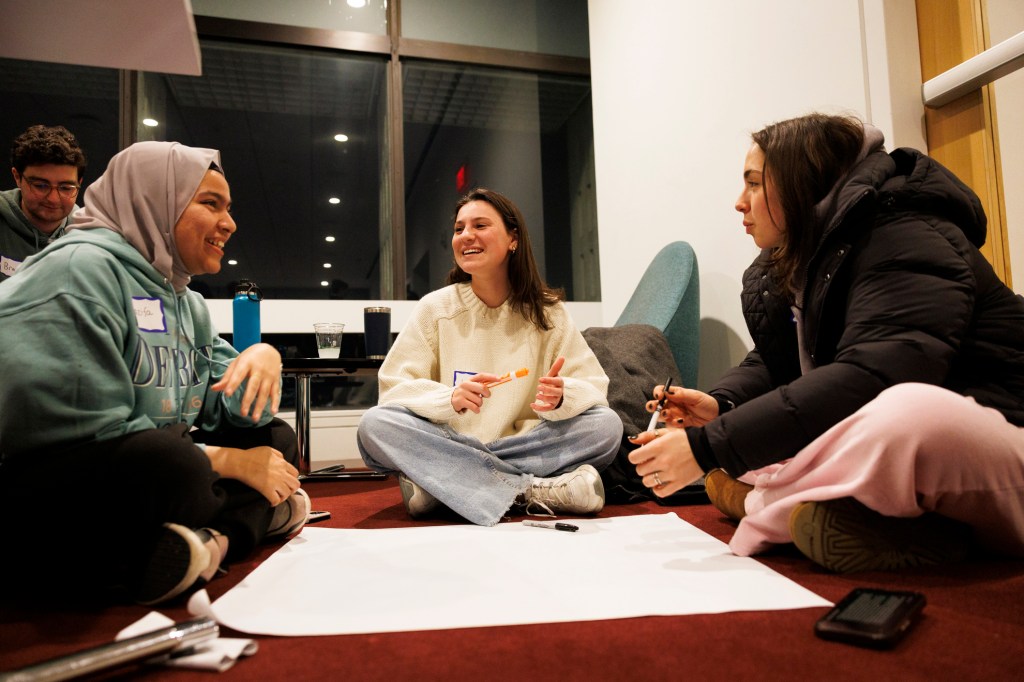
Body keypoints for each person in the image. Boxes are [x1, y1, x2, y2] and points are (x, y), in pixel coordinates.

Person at [628, 113, 1024, 572]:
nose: (739, 202)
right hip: (939, 462)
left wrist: (707, 448)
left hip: (1005, 437)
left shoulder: (906, 235)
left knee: (908, 413)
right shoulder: (810, 257)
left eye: (753, 183)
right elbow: (779, 361)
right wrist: (722, 405)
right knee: (785, 436)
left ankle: (765, 501)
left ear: (801, 184)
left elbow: (872, 378)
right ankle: (859, 515)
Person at [0, 141, 309, 605]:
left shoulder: (184, 299)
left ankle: (204, 545)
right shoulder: (78, 269)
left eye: (228, 208)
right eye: (210, 203)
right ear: (154, 201)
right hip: (45, 482)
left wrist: (263, 357)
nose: (229, 223)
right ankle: (245, 524)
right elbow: (79, 436)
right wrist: (226, 462)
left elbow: (232, 409)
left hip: (144, 466)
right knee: (173, 466)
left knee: (273, 438)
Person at [357, 187, 622, 526]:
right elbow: (393, 389)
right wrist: (448, 399)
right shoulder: (435, 308)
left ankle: (446, 486)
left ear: (513, 239)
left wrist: (563, 397)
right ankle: (532, 491)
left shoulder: (548, 312)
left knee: (605, 426)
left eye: (480, 225)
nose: (466, 235)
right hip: (451, 440)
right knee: (375, 426)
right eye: (459, 228)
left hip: (524, 442)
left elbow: (595, 389)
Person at [0, 124, 87, 283]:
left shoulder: (87, 235)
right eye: (41, 186)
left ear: (79, 183)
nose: (53, 199)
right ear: (17, 177)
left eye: (65, 188)